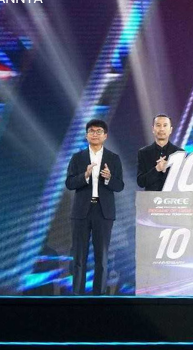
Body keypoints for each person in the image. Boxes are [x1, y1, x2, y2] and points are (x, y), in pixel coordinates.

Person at [65, 119, 124, 295]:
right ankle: (77, 294)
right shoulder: (77, 158)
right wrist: (85, 175)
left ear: (105, 136)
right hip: (81, 212)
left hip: (103, 212)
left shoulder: (113, 158)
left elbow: (119, 186)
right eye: (91, 131)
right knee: (79, 256)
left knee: (102, 257)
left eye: (99, 131)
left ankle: (99, 295)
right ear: (86, 135)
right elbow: (69, 183)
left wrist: (108, 178)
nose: (95, 134)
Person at [137, 114, 184, 191]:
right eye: (158, 125)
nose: (162, 129)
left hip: (173, 197)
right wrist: (157, 169)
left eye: (165, 125)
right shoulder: (143, 153)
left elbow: (183, 181)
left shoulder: (180, 153)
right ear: (153, 129)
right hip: (151, 197)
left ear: (171, 130)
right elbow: (141, 182)